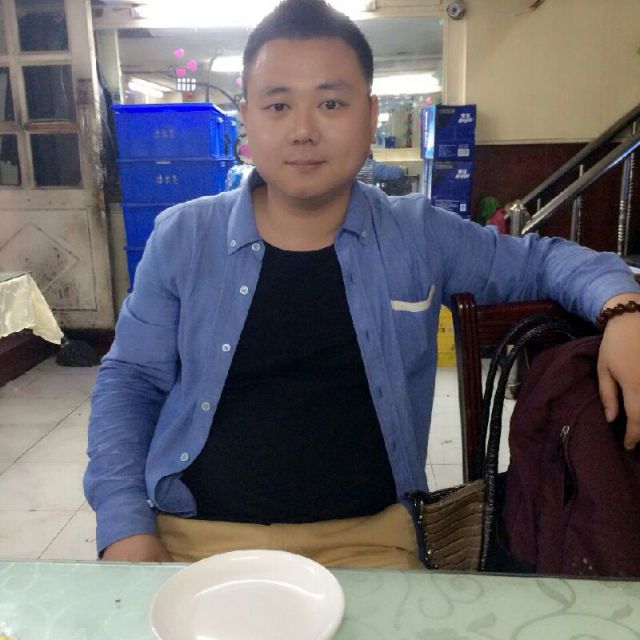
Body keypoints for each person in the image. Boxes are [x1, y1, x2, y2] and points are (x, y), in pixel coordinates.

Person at [84, 0, 640, 567]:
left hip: (371, 541)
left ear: (370, 114)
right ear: (247, 119)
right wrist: (126, 527)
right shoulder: (183, 237)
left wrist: (623, 311)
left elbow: (542, 260)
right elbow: (130, 382)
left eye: (331, 103)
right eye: (278, 105)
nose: (304, 131)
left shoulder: (417, 232)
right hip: (196, 535)